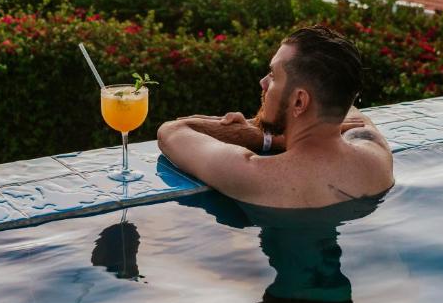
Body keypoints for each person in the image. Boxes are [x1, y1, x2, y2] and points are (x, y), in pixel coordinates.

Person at [157, 25, 393, 208]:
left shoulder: (255, 174)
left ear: (299, 101)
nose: (263, 82)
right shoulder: (376, 155)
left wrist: (259, 137)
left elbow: (171, 131)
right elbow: (344, 101)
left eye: (273, 75)